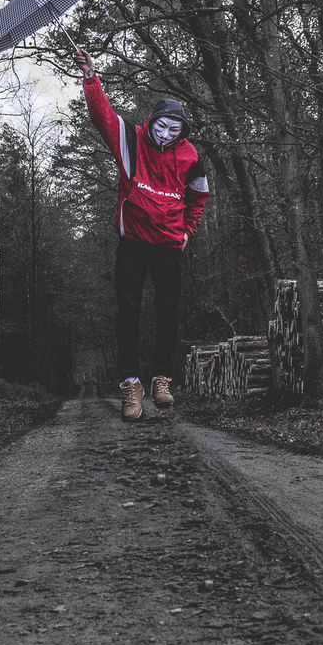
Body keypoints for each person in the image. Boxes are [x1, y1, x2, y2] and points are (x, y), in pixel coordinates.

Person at [75, 48, 209, 422]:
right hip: (133, 241)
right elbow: (102, 116)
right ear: (151, 123)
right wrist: (90, 77)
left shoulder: (190, 156)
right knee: (129, 313)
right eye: (161, 126)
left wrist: (187, 230)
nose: (166, 134)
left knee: (168, 312)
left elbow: (199, 195)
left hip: (168, 244)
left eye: (174, 129)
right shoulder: (131, 140)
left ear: (182, 132)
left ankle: (161, 380)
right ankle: (131, 385)